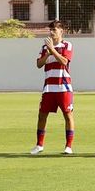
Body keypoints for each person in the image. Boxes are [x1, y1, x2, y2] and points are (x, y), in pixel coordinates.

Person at [31, 19, 75, 155]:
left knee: (68, 115)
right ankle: (39, 145)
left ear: (61, 31)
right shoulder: (44, 47)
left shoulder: (67, 45)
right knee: (42, 115)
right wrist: (48, 52)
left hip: (63, 87)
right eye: (50, 30)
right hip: (49, 87)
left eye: (54, 30)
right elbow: (39, 64)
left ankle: (68, 146)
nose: (51, 32)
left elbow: (64, 61)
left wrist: (53, 51)